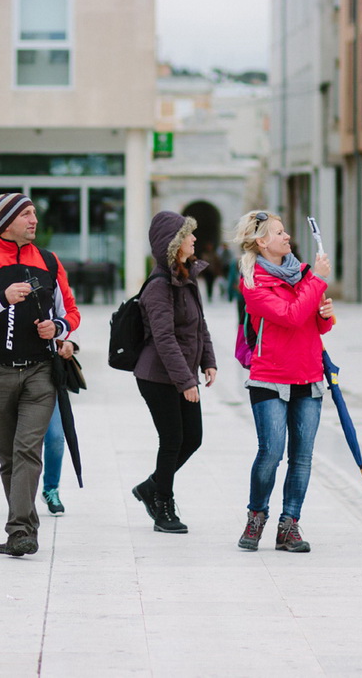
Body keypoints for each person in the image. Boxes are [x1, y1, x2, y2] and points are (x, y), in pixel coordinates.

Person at [0, 192, 80, 557]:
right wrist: (1, 299)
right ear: (6, 222)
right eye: (26, 214)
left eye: (34, 213)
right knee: (9, 457)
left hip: (41, 373)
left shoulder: (51, 263)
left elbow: (71, 312)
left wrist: (57, 329)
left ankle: (20, 530)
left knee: (27, 450)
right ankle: (24, 526)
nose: (34, 220)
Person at [232, 211, 334, 553]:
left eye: (285, 230)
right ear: (262, 242)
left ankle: (289, 525)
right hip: (270, 377)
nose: (287, 236)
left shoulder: (303, 274)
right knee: (271, 452)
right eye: (279, 232)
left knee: (302, 457)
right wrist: (317, 283)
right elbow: (290, 317)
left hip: (308, 374)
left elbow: (316, 326)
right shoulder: (253, 283)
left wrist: (325, 313)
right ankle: (256, 515)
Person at [130, 211, 217, 535]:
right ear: (174, 243)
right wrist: (185, 382)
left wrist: (208, 361)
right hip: (156, 375)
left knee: (192, 437)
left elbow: (200, 325)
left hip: (180, 373)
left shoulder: (187, 276)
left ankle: (151, 486)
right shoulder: (158, 286)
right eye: (188, 235)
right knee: (172, 439)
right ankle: (162, 504)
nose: (194, 239)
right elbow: (164, 338)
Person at [40, 338, 79, 515]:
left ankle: (51, 488)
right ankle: (21, 494)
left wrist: (70, 342)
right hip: (13, 372)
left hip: (48, 372)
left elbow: (68, 315)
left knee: (56, 436)